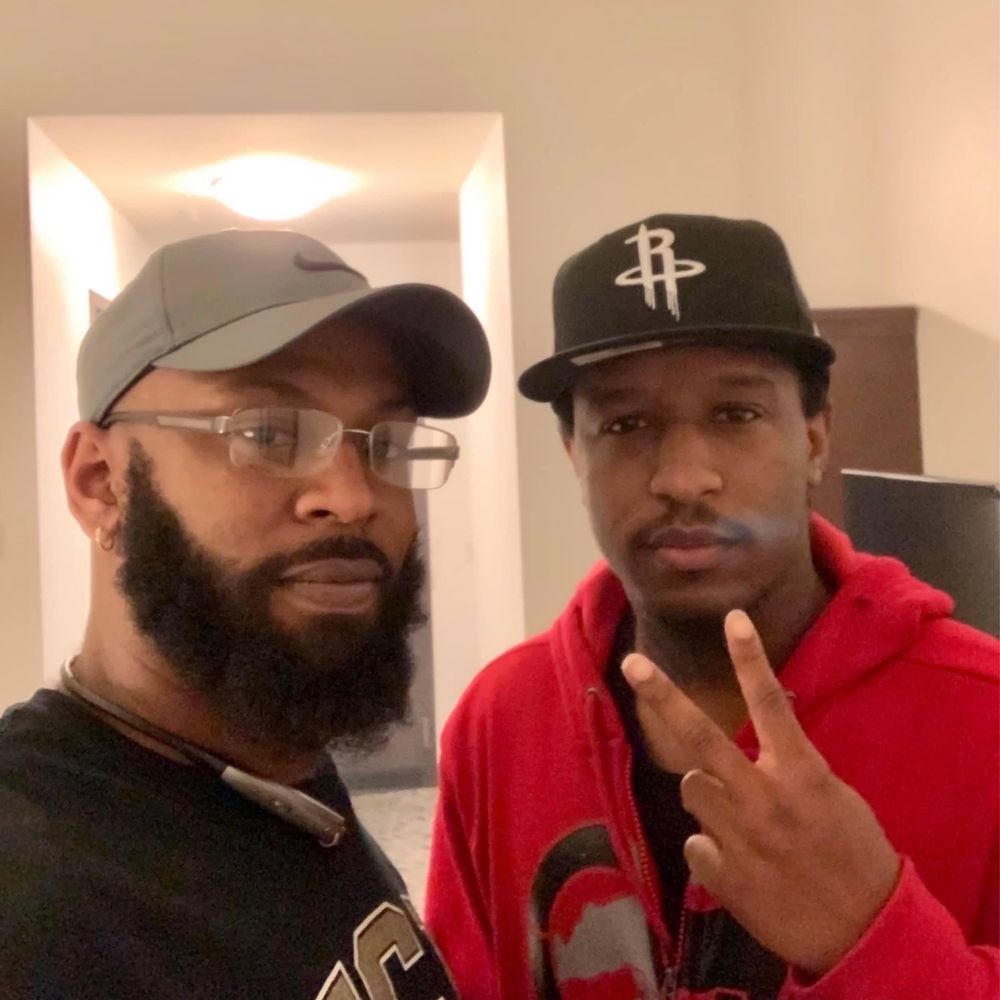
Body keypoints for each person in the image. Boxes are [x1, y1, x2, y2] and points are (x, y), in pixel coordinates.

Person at [425, 214, 999, 999]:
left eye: (736, 415)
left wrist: (873, 937)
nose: (683, 478)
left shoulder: (983, 713)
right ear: (574, 454)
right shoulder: (499, 720)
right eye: (626, 424)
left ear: (815, 437)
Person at [0, 229, 491, 1000]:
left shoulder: (268, 751)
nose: (352, 497)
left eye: (386, 441)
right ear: (99, 481)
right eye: (265, 432)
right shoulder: (34, 887)